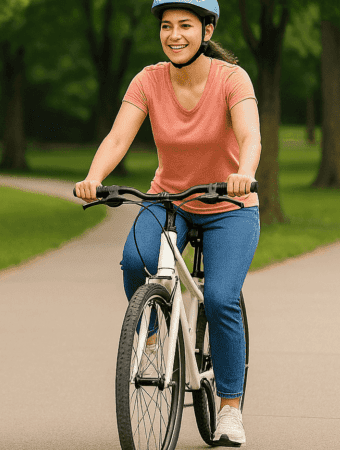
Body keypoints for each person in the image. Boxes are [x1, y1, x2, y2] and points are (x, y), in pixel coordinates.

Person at [74, 0, 260, 446]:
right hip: (170, 198)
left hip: (227, 204)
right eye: (166, 26)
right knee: (133, 259)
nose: (174, 35)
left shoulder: (232, 79)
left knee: (219, 297)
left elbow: (251, 134)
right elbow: (119, 136)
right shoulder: (149, 79)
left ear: (207, 32)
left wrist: (244, 173)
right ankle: (154, 328)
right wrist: (94, 177)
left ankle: (230, 408)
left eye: (185, 26)